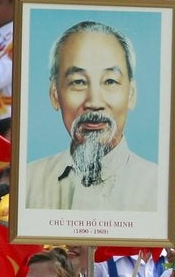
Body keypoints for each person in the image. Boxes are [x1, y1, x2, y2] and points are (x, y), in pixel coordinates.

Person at [24, 20, 161, 212]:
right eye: (78, 82)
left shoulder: (159, 187)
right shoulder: (27, 182)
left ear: (131, 94)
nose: (94, 102)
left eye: (110, 81)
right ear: (55, 94)